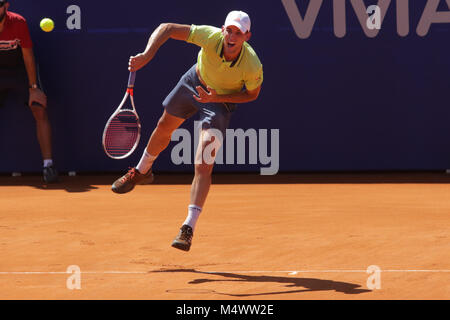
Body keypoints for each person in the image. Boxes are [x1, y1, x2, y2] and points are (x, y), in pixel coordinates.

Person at [112, 11, 263, 251]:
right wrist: (147, 55)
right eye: (229, 31)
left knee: (204, 161)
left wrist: (218, 97)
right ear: (223, 29)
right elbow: (168, 27)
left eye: (238, 33)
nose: (232, 37)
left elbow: (252, 94)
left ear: (247, 36)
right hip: (193, 82)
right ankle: (141, 171)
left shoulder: (252, 64)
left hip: (220, 102)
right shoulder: (210, 37)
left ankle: (188, 227)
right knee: (164, 125)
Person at [0, 0, 58, 183]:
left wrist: (33, 88)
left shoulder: (18, 22)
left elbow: (27, 55)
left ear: (6, 6)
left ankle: (48, 165)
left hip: (20, 71)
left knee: (38, 107)